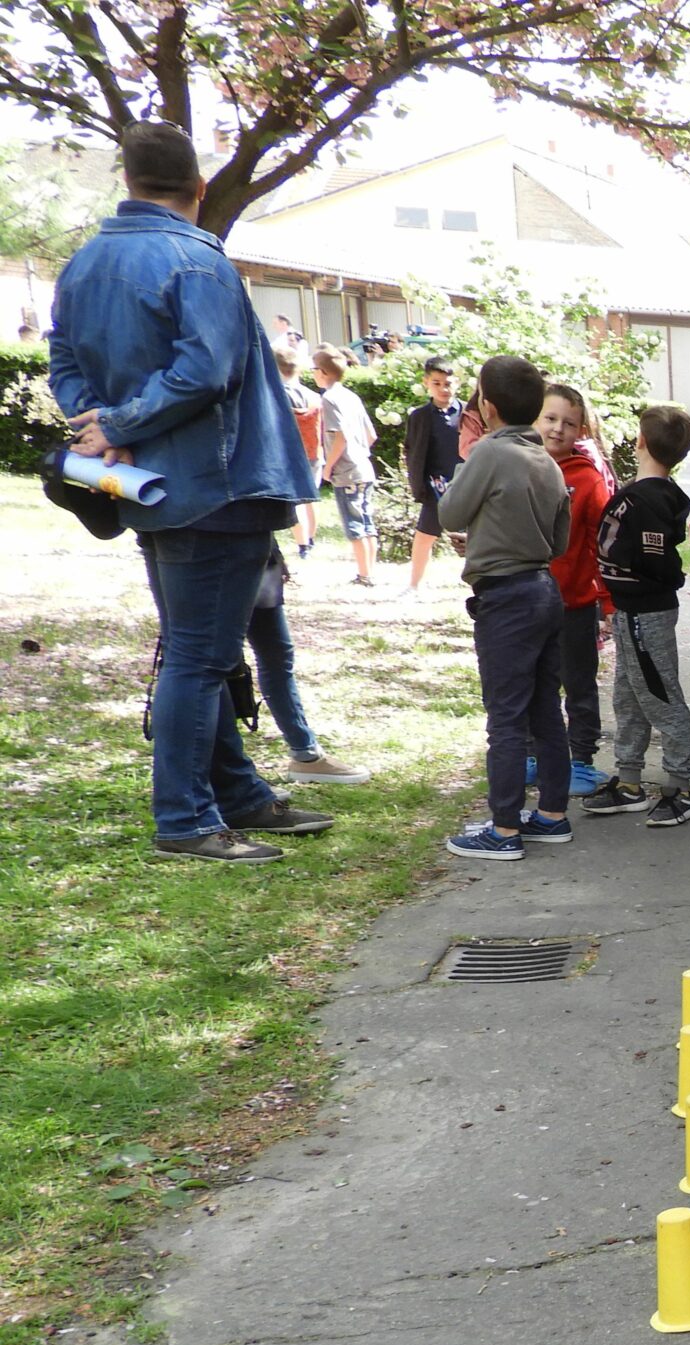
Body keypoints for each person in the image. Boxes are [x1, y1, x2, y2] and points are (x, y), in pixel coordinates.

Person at [47, 122, 332, 863]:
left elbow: (64, 359)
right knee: (200, 659)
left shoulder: (83, 264)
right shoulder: (196, 261)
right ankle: (186, 819)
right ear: (199, 189)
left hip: (148, 485)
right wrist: (118, 421)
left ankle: (235, 795)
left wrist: (102, 425)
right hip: (217, 486)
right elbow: (207, 371)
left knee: (196, 649)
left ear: (129, 182)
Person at [437, 354, 572, 861]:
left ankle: (504, 828)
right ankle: (552, 814)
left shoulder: (490, 454)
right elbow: (558, 541)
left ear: (486, 407)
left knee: (506, 717)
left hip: (505, 597)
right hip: (543, 588)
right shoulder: (547, 461)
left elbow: (450, 510)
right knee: (544, 709)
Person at [584, 404, 690, 828]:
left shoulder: (647, 499)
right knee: (628, 697)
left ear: (641, 442)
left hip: (644, 614)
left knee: (660, 694)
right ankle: (629, 780)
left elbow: (656, 558)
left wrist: (652, 579)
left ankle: (679, 787)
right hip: (628, 613)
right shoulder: (642, 494)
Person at [536, 381, 614, 796]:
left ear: (581, 430)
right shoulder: (519, 465)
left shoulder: (587, 478)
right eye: (550, 418)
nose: (557, 429)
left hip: (575, 603)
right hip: (527, 601)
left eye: (568, 423)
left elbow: (600, 541)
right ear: (535, 419)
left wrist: (606, 599)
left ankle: (580, 760)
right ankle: (534, 755)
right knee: (533, 682)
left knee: (579, 685)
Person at [244, 544, 368, 784]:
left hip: (250, 547)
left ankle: (305, 754)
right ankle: (220, 772)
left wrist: (272, 552)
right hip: (228, 545)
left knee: (274, 652)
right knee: (209, 661)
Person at [308, 347, 378, 585]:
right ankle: (370, 571)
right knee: (367, 521)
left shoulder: (329, 398)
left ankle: (364, 575)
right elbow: (371, 435)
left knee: (355, 523)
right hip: (365, 467)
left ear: (323, 372)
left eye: (314, 369)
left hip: (347, 471)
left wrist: (329, 467)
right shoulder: (351, 396)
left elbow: (341, 436)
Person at [402, 356, 464, 593]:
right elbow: (413, 450)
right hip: (435, 487)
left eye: (447, 383)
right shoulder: (420, 416)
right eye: (437, 383)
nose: (443, 389)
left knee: (474, 535)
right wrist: (419, 483)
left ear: (456, 383)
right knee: (425, 535)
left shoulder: (467, 413)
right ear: (427, 383)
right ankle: (414, 583)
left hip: (464, 483)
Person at [275, 344, 323, 558]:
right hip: (314, 452)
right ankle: (311, 539)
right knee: (311, 498)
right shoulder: (314, 396)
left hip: (290, 454)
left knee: (295, 502)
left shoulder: (278, 395)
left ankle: (303, 544)